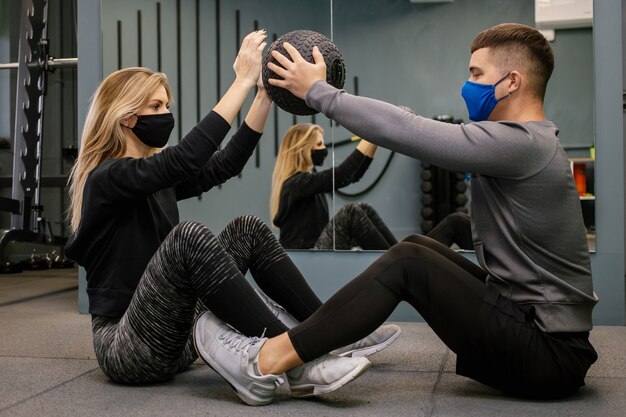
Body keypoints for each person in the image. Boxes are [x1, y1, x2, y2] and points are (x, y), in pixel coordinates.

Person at [193, 23, 599, 403]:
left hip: (547, 354)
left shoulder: (522, 144)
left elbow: (406, 130)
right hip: (540, 337)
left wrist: (318, 91)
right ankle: (329, 333)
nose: (467, 86)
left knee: (410, 261)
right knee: (418, 246)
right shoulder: (530, 143)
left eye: (476, 74)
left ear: (512, 82)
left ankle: (264, 362)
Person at [64, 30, 400, 407]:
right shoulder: (107, 178)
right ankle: (300, 360)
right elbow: (187, 159)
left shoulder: (151, 179)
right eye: (156, 107)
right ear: (126, 118)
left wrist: (262, 95)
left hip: (177, 338)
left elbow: (224, 165)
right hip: (128, 348)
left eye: (166, 106)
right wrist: (240, 80)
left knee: (247, 229)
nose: (166, 115)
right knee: (187, 237)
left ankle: (329, 330)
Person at [271, 123, 398, 250]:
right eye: (319, 144)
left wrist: (374, 140)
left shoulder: (307, 181)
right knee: (351, 213)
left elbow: (353, 175)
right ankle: (396, 259)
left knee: (365, 209)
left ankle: (400, 253)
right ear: (303, 149)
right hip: (306, 256)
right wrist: (373, 132)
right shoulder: (296, 184)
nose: (324, 148)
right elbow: (342, 175)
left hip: (315, 251)